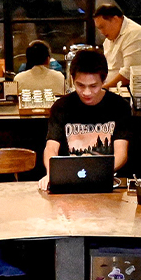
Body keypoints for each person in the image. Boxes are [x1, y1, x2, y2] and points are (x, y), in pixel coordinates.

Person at [38, 49, 132, 192]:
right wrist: (52, 172)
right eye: (80, 85)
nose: (86, 92)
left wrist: (97, 170)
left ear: (104, 80)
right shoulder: (61, 107)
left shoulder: (119, 106)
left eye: (93, 86)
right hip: (68, 183)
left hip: (107, 183)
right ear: (72, 80)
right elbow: (51, 147)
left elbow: (121, 153)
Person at [92, 4, 141, 88]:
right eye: (99, 28)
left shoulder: (134, 34)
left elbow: (128, 74)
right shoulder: (110, 37)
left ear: (115, 19)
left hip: (137, 91)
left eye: (102, 27)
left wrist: (103, 89)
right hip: (117, 89)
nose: (101, 32)